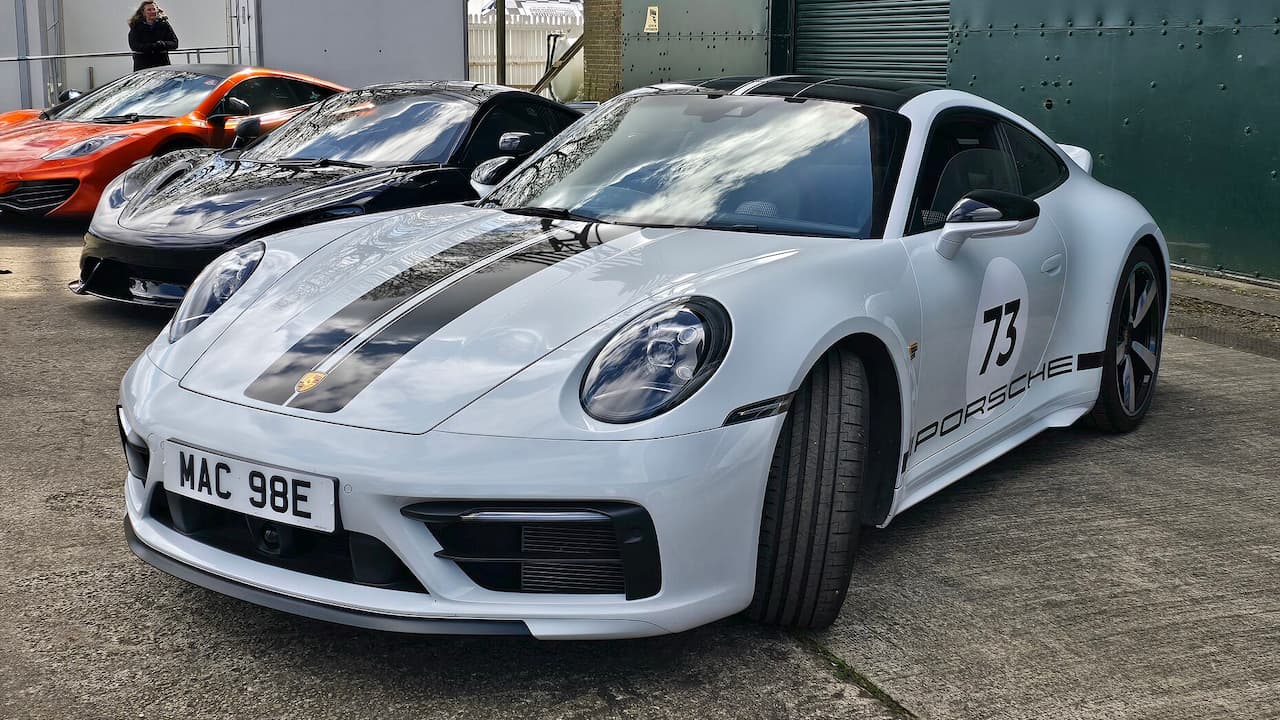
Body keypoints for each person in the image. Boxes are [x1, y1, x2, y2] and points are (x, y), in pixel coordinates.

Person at [127, 2, 179, 71]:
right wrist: (153, 46)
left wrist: (162, 44)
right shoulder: (136, 26)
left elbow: (175, 43)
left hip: (162, 65)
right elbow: (134, 45)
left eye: (154, 9)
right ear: (143, 12)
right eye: (149, 10)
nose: (152, 12)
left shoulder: (164, 24)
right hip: (143, 66)